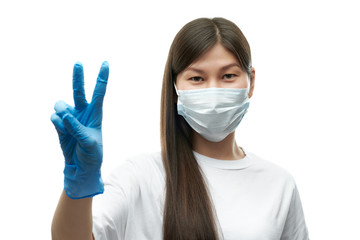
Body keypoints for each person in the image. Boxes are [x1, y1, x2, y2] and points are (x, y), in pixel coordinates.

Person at [51, 17, 309, 240]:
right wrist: (79, 185)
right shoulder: (140, 177)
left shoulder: (279, 184)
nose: (214, 91)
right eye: (197, 78)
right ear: (175, 90)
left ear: (251, 82)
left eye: (228, 76)